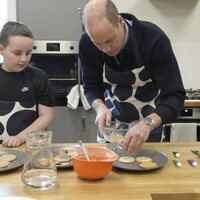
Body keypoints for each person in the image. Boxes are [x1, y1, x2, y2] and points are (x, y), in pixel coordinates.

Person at [79, 0, 185, 153]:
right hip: (111, 127)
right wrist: (100, 107)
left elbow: (175, 96)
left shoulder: (153, 40)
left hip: (148, 127)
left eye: (109, 40)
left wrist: (148, 123)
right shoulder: (86, 43)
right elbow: (90, 86)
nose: (105, 49)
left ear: (120, 21)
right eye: (98, 43)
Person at [0, 21, 54, 147]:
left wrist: (20, 137)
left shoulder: (39, 77)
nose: (24, 59)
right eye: (17, 53)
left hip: (32, 146)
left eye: (28, 53)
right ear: (2, 49)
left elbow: (47, 116)